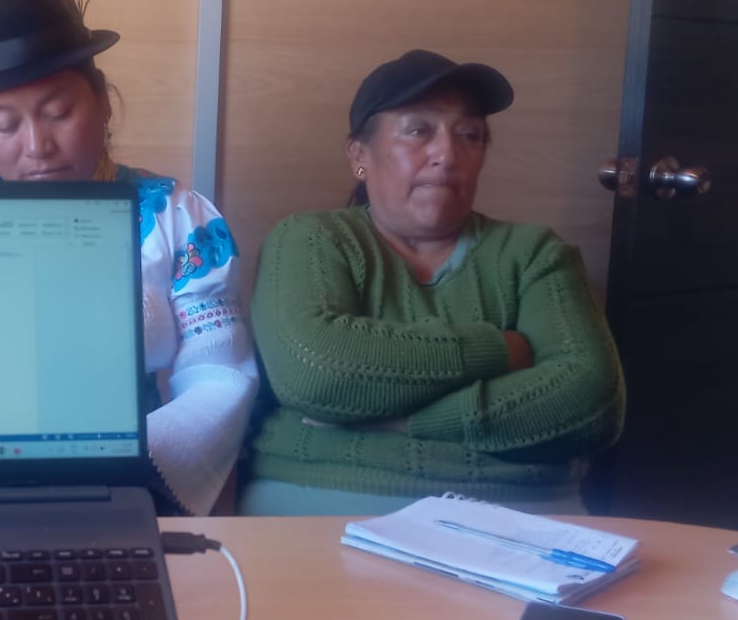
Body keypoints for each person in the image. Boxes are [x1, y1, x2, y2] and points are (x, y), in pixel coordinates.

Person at [0, 0, 257, 516]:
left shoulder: (176, 218)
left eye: (57, 112)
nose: (36, 146)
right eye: (6, 123)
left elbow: (218, 375)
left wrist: (115, 465)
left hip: (124, 482)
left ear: (103, 105)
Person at [241, 49, 624, 515]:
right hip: (324, 506)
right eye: (418, 130)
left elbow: (590, 404)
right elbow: (318, 373)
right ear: (360, 155)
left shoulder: (534, 253)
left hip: (521, 517)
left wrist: (403, 421)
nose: (448, 154)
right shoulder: (310, 239)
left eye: (469, 135)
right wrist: (502, 351)